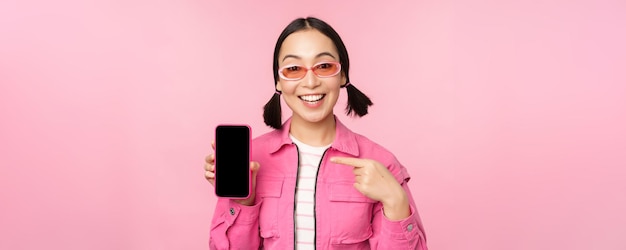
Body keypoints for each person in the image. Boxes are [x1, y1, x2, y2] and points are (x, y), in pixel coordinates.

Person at [203, 17, 427, 250]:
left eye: (324, 66)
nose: (310, 82)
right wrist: (242, 202)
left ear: (342, 75)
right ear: (278, 81)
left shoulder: (380, 163)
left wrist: (396, 202)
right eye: (293, 69)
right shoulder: (251, 161)